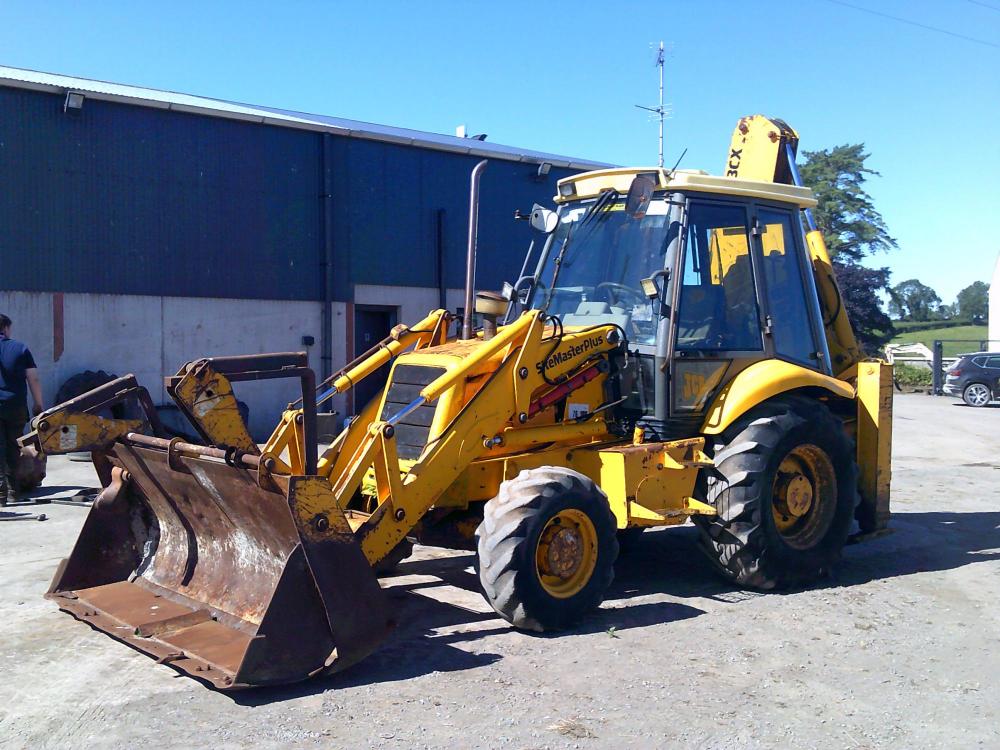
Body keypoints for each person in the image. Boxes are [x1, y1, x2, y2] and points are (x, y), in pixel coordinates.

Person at [0, 314, 43, 505]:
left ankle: (0, 495)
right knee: (13, 447)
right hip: (15, 406)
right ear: (6, 328)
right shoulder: (20, 348)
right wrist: (38, 404)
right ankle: (12, 491)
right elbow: (33, 378)